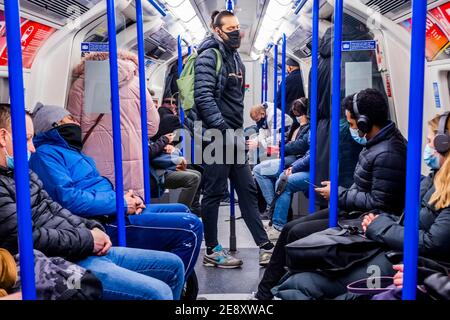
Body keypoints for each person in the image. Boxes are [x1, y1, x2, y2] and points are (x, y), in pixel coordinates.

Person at [0, 104, 184, 300]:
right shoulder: (40, 161)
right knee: (158, 292)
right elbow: (25, 238)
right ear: (3, 137)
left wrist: (92, 228)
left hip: (83, 241)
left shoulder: (23, 173)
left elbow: (54, 208)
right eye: (27, 138)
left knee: (174, 266)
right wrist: (88, 238)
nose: (32, 147)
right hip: (61, 261)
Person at [272, 113, 450, 300]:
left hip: (409, 261)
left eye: (431, 142)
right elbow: (407, 220)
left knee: (305, 277)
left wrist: (378, 224)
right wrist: (380, 223)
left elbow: (431, 243)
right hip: (391, 245)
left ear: (443, 146)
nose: (427, 147)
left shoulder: (387, 153)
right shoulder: (433, 180)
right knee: (295, 277)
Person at [253, 88, 407, 300]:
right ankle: (265, 293)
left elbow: (379, 203)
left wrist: (339, 194)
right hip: (353, 210)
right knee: (290, 229)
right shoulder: (376, 144)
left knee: (296, 234)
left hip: (365, 221)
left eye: (352, 124)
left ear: (364, 122)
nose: (353, 129)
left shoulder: (388, 153)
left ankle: (269, 294)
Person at [29, 104, 203, 280]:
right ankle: (174, 286)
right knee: (190, 225)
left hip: (111, 208)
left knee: (183, 209)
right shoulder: (45, 155)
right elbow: (69, 199)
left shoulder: (70, 151)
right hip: (101, 220)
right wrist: (120, 203)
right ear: (53, 126)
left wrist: (125, 198)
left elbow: (93, 189)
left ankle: (172, 280)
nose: (75, 122)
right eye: (68, 119)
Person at [187, 10, 274, 268]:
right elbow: (204, 98)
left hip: (232, 135)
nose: (237, 32)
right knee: (214, 192)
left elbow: (233, 100)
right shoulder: (209, 56)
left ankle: (264, 245)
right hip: (216, 136)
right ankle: (212, 249)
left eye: (238, 27)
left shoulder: (234, 57)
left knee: (247, 189)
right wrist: (225, 131)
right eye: (231, 28)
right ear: (217, 31)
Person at [67, 50, 160, 198]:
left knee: (101, 204)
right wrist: (132, 132)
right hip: (130, 156)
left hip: (93, 159)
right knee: (132, 207)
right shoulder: (136, 84)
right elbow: (152, 126)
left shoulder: (82, 84)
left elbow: (73, 128)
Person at [253, 98, 310, 216]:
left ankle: (273, 207)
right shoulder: (296, 125)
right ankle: (275, 208)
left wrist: (282, 147)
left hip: (296, 158)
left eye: (299, 114)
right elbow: (285, 137)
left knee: (260, 171)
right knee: (261, 168)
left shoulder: (309, 127)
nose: (297, 117)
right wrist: (280, 145)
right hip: (290, 156)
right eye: (295, 115)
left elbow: (301, 145)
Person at [149, 114, 202, 211]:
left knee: (197, 173)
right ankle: (181, 212)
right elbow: (149, 154)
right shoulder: (158, 136)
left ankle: (189, 207)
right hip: (154, 173)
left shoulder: (150, 136)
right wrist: (164, 142)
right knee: (193, 178)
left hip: (158, 168)